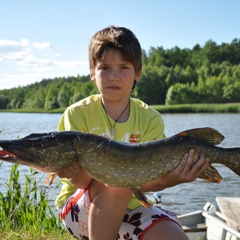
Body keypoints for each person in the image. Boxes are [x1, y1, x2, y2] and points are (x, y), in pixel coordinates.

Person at [55, 25, 210, 240]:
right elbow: (82, 182)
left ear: (137, 73)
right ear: (92, 72)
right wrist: (72, 172)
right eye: (105, 68)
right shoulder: (77, 114)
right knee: (117, 185)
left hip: (134, 208)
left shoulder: (150, 118)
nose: (114, 76)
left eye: (123, 67)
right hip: (81, 209)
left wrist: (171, 179)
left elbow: (148, 180)